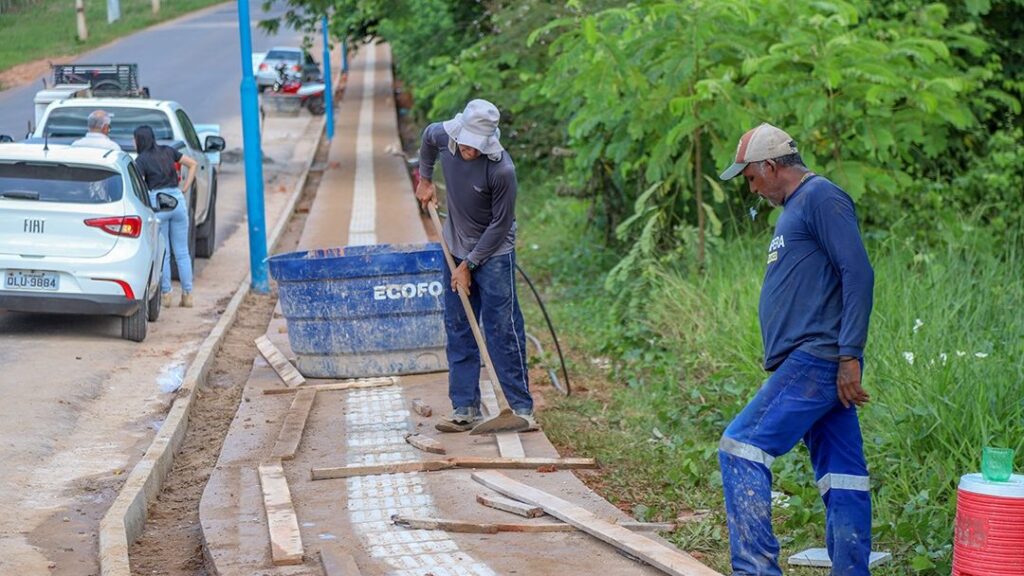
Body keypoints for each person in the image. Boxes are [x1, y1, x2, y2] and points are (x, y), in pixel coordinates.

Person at [717, 123, 875, 575]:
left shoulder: (821, 197)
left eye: (750, 178)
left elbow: (858, 273)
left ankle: (755, 569)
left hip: (817, 359)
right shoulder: (796, 209)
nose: (752, 189)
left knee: (741, 448)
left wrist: (850, 355)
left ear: (770, 166)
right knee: (842, 473)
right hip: (816, 360)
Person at [415, 99, 535, 433]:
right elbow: (426, 138)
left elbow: (500, 225)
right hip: (453, 244)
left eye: (475, 145)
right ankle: (464, 407)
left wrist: (469, 264)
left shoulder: (501, 170)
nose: (468, 149)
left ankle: (521, 408)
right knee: (458, 327)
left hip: (494, 253)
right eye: (465, 142)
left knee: (501, 328)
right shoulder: (444, 137)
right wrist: (425, 179)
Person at [133, 125, 198, 308]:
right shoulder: (168, 151)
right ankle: (187, 295)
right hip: (177, 200)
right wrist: (184, 187)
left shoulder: (141, 160)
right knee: (182, 252)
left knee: (164, 252)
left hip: (158, 204)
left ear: (139, 140)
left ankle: (167, 294)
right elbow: (193, 164)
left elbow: (139, 185)